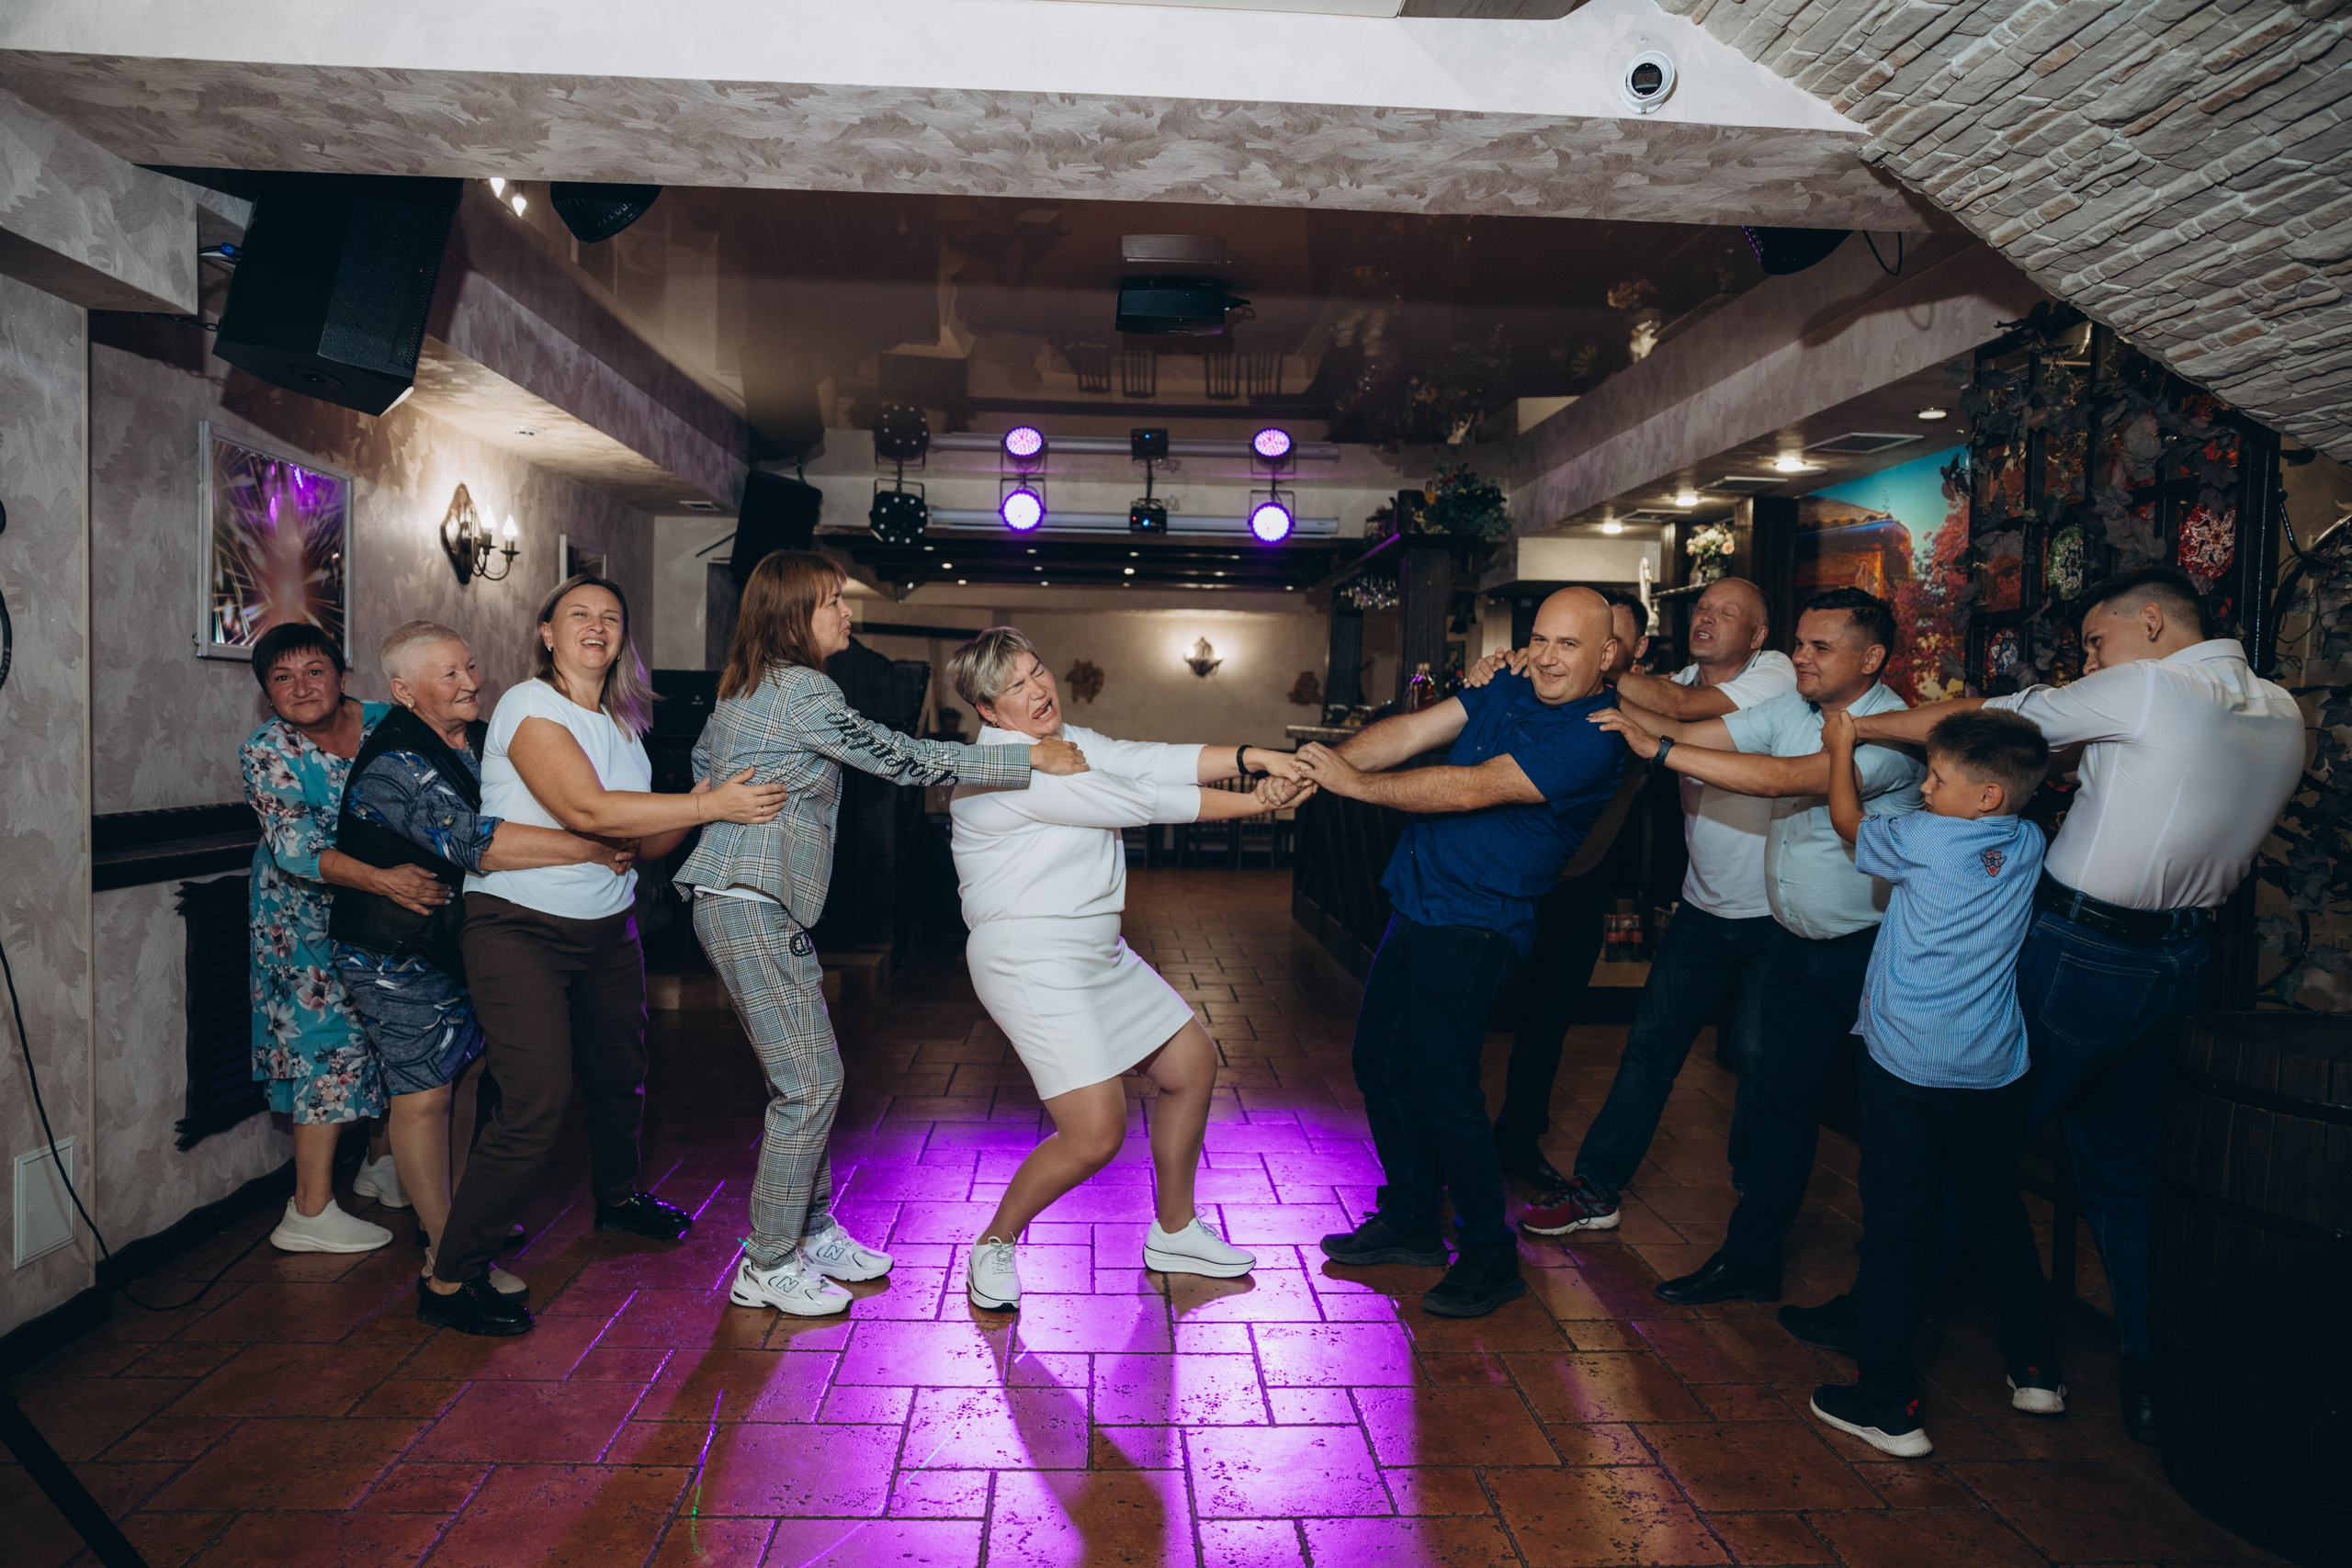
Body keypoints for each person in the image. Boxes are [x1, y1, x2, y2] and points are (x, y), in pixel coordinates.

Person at [1840, 565, 2303, 1442]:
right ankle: (2143, 1370)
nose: (2088, 663)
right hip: (2182, 957)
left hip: (2083, 950)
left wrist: (1855, 725)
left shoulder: (2148, 688)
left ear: (2155, 623)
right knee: (2123, 1169)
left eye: (2096, 642)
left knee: (1968, 1148)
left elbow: (1986, 727)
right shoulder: (2281, 709)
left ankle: (1887, 1342)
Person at [678, 559, 1089, 1319]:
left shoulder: (747, 683)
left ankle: (810, 1228)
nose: (847, 615)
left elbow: (703, 762)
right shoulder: (803, 688)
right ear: (795, 613)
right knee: (810, 1082)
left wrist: (714, 802)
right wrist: (1022, 755)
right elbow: (897, 756)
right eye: (833, 602)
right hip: (748, 900)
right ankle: (767, 1261)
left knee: (809, 1074)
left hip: (744, 898)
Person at [422, 574, 787, 1336]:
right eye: (578, 614)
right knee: (536, 1096)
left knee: (622, 1073)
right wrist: (704, 804)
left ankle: (618, 1199)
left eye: (611, 617)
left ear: (623, 637)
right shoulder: (529, 705)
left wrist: (700, 802)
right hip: (517, 925)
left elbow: (639, 841)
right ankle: (451, 1275)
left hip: (607, 929)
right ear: (547, 632)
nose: (596, 626)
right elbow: (586, 811)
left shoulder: (624, 725)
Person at [945, 627, 1310, 1313]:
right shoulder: (1012, 768)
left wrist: (1249, 754)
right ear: (989, 712)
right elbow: (1136, 801)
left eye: (1037, 669)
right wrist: (1262, 801)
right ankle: (994, 1242)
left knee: (1191, 1063)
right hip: (1030, 955)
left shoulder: (1064, 743)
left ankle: (1175, 1231)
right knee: (1094, 1134)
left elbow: (1144, 760)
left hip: (1094, 946)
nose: (1037, 689)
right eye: (1014, 687)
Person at [1299, 588, 1628, 1319]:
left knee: (1446, 1086)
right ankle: (1415, 1219)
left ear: (1605, 654)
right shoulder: (1507, 680)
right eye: (1539, 638)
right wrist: (1321, 767)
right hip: (1418, 903)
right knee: (1380, 1063)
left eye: (1567, 645)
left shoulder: (1598, 733)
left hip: (1479, 924)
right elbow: (1415, 731)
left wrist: (1357, 786)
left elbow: (1473, 787)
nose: (1545, 656)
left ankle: (1488, 1253)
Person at [1592, 586, 1925, 1304]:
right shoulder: (1796, 706)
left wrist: (1657, 746)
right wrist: (1611, 706)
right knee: (1779, 1103)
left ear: (1871, 658)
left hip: (1869, 952)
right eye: (1799, 643)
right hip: (1794, 945)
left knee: (1894, 1128)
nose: (1800, 657)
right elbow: (1715, 737)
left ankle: (1896, 1291)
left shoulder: (1892, 731)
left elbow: (1782, 780)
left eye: (1819, 647)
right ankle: (1750, 1259)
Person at [331, 621, 637, 1300]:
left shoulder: (479, 735)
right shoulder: (394, 765)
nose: (471, 681)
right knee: (424, 1095)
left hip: (459, 938)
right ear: (404, 690)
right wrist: (591, 846)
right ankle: (446, 1249)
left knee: (467, 1079)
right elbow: (481, 843)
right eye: (450, 675)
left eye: (470, 666)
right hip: (393, 948)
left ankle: (467, 1219)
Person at [1803, 706, 2064, 1459]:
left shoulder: (1923, 838)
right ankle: (2036, 1369)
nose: (1923, 787)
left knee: (1895, 1226)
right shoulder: (2026, 839)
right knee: (1997, 1213)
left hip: (1907, 1064)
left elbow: (1850, 822)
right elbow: (1978, 758)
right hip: (1991, 1067)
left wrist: (1845, 744)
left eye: (1939, 778)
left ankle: (1888, 1403)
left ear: (1985, 796)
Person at [1517, 576, 1797, 1234]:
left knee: (1761, 1061)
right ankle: (1596, 1189)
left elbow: (1673, 709)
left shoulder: (1776, 675)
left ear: (1757, 637)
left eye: (1727, 612)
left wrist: (1597, 664)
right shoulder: (1675, 676)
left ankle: (1757, 1213)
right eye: (1702, 608)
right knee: (1649, 1049)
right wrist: (1534, 670)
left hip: (1775, 913)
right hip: (1703, 908)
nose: (1707, 618)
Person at [239, 621, 447, 1255]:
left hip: (391, 908)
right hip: (303, 915)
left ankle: (382, 1165)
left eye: (314, 670)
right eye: (282, 677)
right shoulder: (267, 750)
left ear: (341, 672)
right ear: (267, 693)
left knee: (390, 1027)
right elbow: (300, 851)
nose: (301, 686)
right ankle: (309, 1209)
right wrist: (387, 879)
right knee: (324, 1043)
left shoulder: (390, 720)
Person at [1471, 589, 1657, 1190]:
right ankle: (1455, 1145)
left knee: (1547, 1022)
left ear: (1626, 649)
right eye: (1555, 641)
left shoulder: (1646, 706)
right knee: (1472, 1013)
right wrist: (1493, 668)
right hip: (1508, 878)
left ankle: (1517, 1139)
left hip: (1580, 884)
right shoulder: (1539, 689)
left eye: (1612, 641)